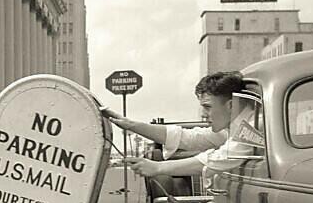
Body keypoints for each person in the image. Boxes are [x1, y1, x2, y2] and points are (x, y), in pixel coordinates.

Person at [101, 71, 255, 179]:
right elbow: (188, 137)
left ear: (231, 105)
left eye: (208, 106)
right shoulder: (236, 126)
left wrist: (157, 168)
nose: (203, 114)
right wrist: (131, 125)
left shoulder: (255, 126)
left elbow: (221, 158)